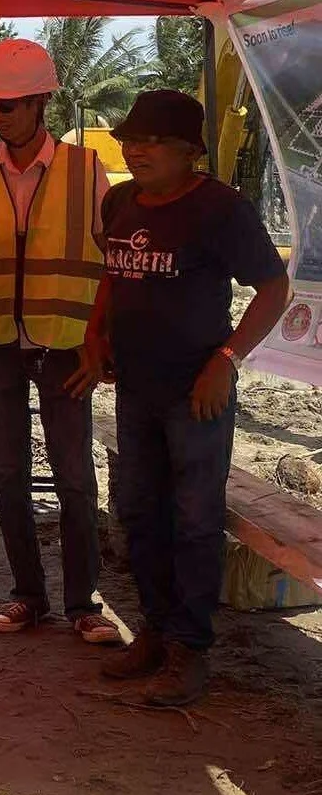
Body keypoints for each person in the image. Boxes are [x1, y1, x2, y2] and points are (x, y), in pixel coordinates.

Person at [83, 90, 289, 706]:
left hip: (196, 392)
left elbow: (273, 288)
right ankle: (154, 630)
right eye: (131, 139)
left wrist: (225, 361)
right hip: (136, 388)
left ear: (188, 151)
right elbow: (114, 272)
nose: (136, 150)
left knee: (196, 519)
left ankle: (189, 650)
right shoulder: (121, 201)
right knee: (139, 511)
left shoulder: (221, 209)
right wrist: (95, 336)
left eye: (153, 142)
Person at [0, 37, 119, 643]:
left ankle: (82, 602)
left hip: (66, 344)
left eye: (7, 105)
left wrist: (99, 341)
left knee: (74, 475)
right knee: (8, 472)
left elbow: (112, 260)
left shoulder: (85, 169)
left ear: (39, 103)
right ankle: (28, 594)